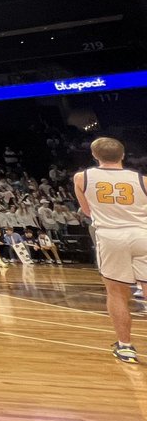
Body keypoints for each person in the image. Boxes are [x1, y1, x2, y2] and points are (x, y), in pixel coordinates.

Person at [74, 137, 147, 363]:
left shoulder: (81, 177)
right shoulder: (142, 179)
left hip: (110, 236)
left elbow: (86, 211)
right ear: (123, 155)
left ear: (95, 156)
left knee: (116, 292)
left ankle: (125, 347)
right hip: (142, 234)